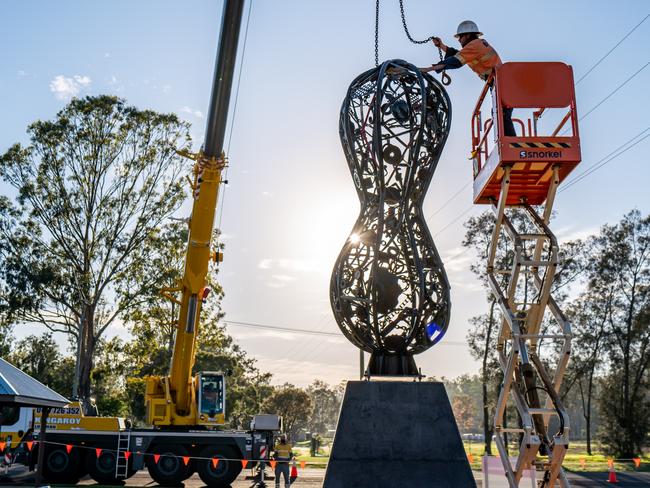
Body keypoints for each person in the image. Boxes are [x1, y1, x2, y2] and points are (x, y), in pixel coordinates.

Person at [421, 20, 517, 137]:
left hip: (502, 84)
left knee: (501, 115)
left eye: (460, 37)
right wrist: (441, 46)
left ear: (467, 35)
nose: (459, 40)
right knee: (500, 115)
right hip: (503, 83)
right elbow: (458, 54)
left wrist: (427, 69)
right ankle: (507, 143)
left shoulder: (474, 46)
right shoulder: (478, 44)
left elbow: (455, 61)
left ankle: (510, 145)